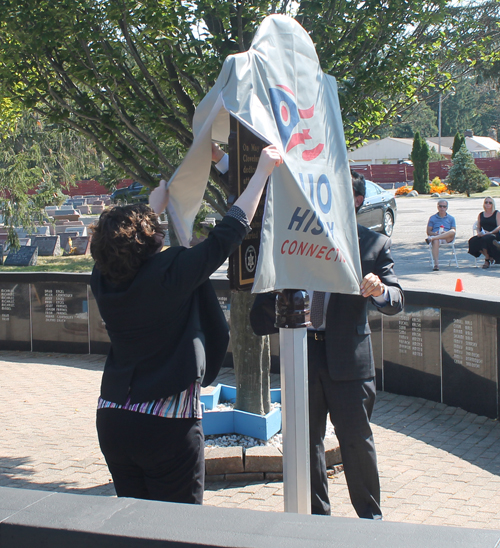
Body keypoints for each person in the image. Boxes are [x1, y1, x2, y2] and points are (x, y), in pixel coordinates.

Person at [90, 144, 282, 504]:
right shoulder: (170, 271)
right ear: (148, 237)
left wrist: (150, 210)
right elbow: (230, 232)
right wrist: (261, 174)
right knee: (178, 530)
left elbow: (117, 248)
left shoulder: (101, 279)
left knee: (131, 528)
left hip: (113, 419)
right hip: (166, 425)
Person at [250, 171, 404, 519]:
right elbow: (259, 318)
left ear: (357, 201)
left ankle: (370, 520)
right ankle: (317, 521)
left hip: (348, 362)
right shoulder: (291, 244)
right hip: (302, 357)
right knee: (305, 445)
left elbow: (396, 298)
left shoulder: (373, 245)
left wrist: (379, 289)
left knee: (356, 444)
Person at [467, 196, 500, 268]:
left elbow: (499, 226)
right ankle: (489, 256)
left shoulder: (496, 213)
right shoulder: (481, 214)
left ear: (493, 204)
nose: (488, 204)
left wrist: (490, 232)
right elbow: (478, 227)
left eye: (490, 202)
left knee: (485, 239)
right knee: (472, 241)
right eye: (486, 202)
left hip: (493, 234)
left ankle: (487, 260)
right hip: (483, 234)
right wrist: (479, 233)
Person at [425, 199, 456, 271]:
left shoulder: (451, 218)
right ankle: (436, 264)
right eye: (440, 206)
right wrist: (434, 234)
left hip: (447, 237)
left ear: (447, 208)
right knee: (436, 240)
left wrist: (445, 232)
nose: (442, 208)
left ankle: (432, 238)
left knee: (452, 232)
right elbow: (428, 231)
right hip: (436, 236)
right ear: (438, 207)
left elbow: (454, 230)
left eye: (444, 206)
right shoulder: (432, 218)